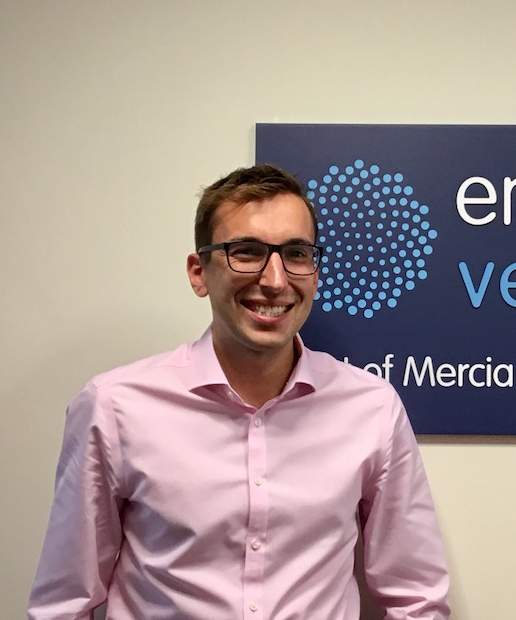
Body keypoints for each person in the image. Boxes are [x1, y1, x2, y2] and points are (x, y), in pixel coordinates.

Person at [28, 164, 451, 620]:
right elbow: (64, 604)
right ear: (199, 273)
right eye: (246, 252)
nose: (274, 279)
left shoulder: (371, 409)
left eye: (296, 253)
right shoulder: (114, 408)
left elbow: (417, 598)